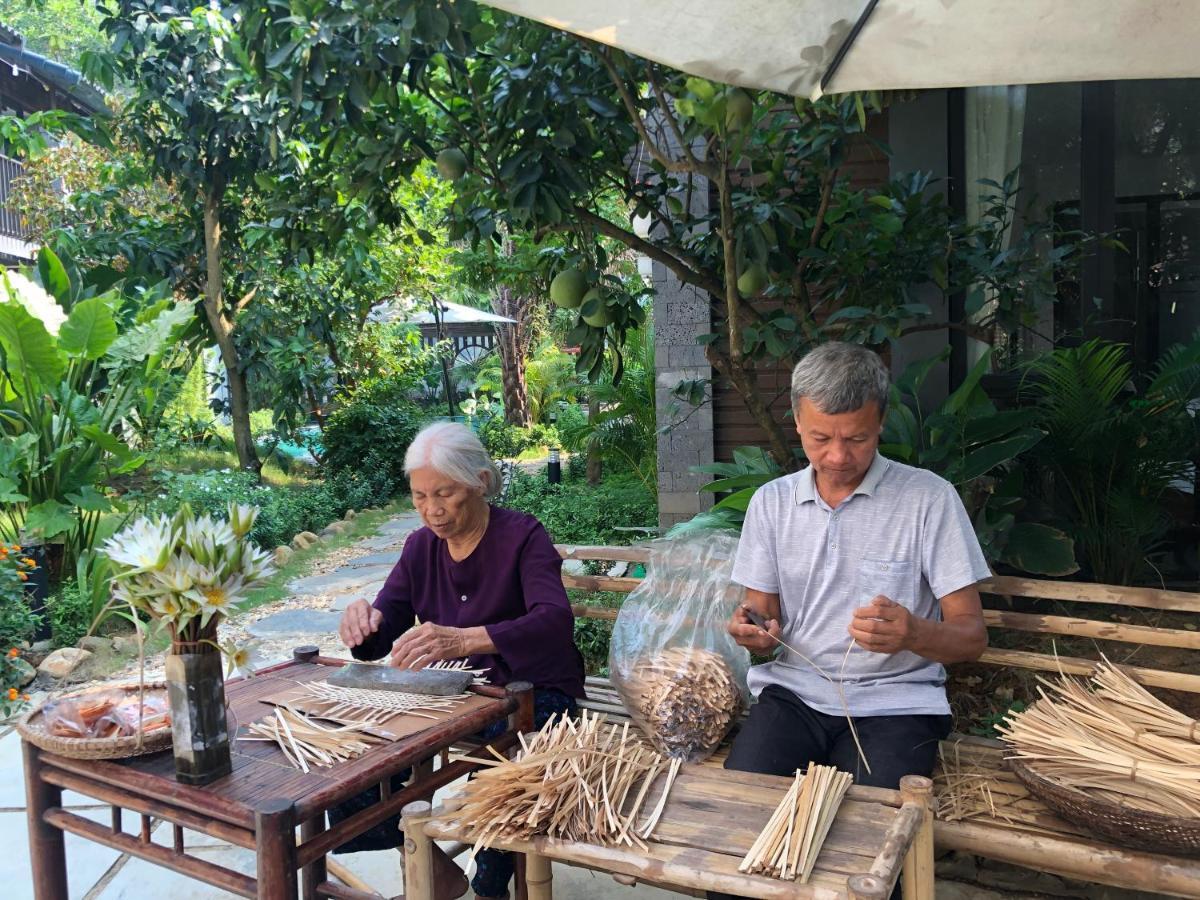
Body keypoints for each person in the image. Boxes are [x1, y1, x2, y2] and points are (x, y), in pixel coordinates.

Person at [335, 421, 586, 900]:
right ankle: (435, 868)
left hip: (532, 693)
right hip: (451, 698)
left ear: (480, 482)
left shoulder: (523, 536)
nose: (432, 510)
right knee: (358, 759)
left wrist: (467, 639)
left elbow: (554, 621)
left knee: (500, 777)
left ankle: (490, 886)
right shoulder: (419, 548)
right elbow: (379, 636)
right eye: (419, 497)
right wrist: (362, 623)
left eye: (445, 494)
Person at [724, 341, 990, 788]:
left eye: (857, 438)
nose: (838, 457)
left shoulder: (928, 499)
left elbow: (972, 637)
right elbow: (761, 619)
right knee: (745, 800)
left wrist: (915, 633)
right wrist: (754, 633)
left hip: (897, 703)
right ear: (797, 422)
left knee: (871, 824)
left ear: (881, 421)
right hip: (795, 696)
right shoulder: (771, 503)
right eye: (820, 438)